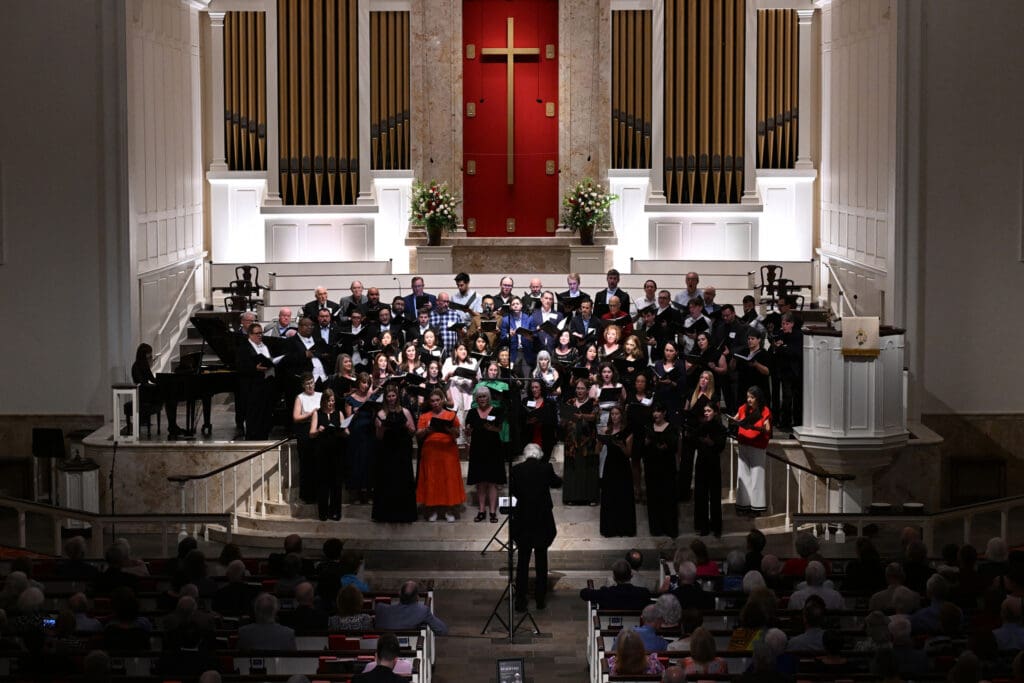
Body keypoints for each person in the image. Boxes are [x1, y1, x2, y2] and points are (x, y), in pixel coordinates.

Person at [510, 443, 562, 611]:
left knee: (522, 562)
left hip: (523, 519)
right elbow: (556, 483)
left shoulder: (516, 470)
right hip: (542, 520)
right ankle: (540, 599)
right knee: (541, 560)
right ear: (539, 454)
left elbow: (514, 492)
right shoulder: (546, 468)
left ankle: (520, 600)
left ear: (526, 455)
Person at [371, 384, 417, 523]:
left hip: (402, 451)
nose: (391, 398)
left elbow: (413, 431)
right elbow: (378, 437)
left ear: (397, 397)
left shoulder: (405, 411)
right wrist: (382, 428)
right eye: (388, 396)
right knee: (387, 481)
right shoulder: (380, 414)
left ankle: (404, 514)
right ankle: (386, 514)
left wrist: (406, 426)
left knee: (403, 481)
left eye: (393, 396)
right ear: (385, 398)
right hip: (387, 452)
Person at [415, 389, 464, 522]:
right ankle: (432, 508)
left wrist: (449, 430)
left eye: (438, 400)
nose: (435, 403)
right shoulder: (425, 416)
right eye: (432, 401)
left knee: (448, 479)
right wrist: (427, 430)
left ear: (443, 400)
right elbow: (418, 434)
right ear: (429, 402)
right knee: (432, 479)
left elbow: (458, 434)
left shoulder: (450, 415)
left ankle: (449, 509)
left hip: (448, 451)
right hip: (430, 451)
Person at [466, 385, 507, 523]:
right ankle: (482, 510)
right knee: (481, 482)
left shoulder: (497, 410)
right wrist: (467, 431)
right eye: (479, 397)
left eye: (484, 396)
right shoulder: (472, 413)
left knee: (492, 482)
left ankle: (493, 512)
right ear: (476, 399)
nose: (482, 399)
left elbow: (500, 428)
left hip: (494, 449)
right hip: (478, 449)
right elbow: (468, 431)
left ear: (488, 398)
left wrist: (492, 428)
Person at [235, 323, 279, 440]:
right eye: (257, 333)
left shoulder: (265, 346)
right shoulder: (244, 348)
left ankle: (264, 436)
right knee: (254, 415)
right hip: (252, 387)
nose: (260, 335)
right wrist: (255, 368)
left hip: (267, 384)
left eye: (261, 333)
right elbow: (240, 367)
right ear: (250, 335)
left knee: (266, 414)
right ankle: (252, 438)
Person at [733, 386, 771, 516]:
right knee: (743, 475)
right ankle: (743, 505)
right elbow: (735, 419)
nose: (749, 399)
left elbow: (767, 429)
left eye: (752, 397)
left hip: (757, 446)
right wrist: (734, 422)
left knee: (757, 476)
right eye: (748, 396)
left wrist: (755, 428)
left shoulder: (764, 410)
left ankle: (756, 507)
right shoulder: (743, 408)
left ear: (758, 398)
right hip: (744, 444)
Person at [561, 378, 600, 505]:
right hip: (571, 442)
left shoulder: (593, 402)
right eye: (578, 388)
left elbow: (594, 416)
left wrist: (581, 416)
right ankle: (571, 497)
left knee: (588, 468)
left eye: (582, 388)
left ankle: (590, 498)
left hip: (587, 442)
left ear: (588, 390)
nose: (579, 391)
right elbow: (564, 419)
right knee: (572, 468)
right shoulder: (570, 402)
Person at [643, 402, 679, 538]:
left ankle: (670, 528)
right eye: (654, 411)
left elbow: (674, 446)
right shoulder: (648, 428)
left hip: (667, 469)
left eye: (658, 411)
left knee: (668, 498)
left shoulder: (671, 428)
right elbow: (643, 448)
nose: (656, 414)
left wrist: (666, 447)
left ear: (664, 413)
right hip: (652, 468)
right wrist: (645, 444)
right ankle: (656, 528)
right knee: (654, 498)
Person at [600, 404, 636, 537]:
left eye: (617, 414)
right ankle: (610, 528)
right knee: (610, 496)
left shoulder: (627, 431)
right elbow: (598, 450)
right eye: (612, 414)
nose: (614, 416)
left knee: (623, 496)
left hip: (622, 466)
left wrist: (621, 445)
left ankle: (624, 528)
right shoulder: (607, 431)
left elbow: (628, 454)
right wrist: (600, 441)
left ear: (621, 416)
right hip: (610, 465)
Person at [693, 402, 727, 537]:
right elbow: (694, 441)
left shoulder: (720, 428)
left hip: (713, 464)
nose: (706, 413)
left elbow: (721, 446)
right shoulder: (700, 427)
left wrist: (711, 443)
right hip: (701, 463)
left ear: (715, 412)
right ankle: (703, 526)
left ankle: (716, 527)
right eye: (705, 411)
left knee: (714, 496)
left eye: (709, 410)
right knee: (701, 495)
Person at [343, 373, 377, 504]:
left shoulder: (371, 397)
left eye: (368, 383)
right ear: (358, 383)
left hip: (369, 433)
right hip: (356, 434)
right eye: (363, 382)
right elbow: (347, 418)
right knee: (356, 462)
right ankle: (356, 494)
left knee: (369, 462)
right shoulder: (350, 399)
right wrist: (354, 412)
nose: (366, 385)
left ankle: (368, 493)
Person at [374, 581, 448, 635]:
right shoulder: (423, 611)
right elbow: (442, 630)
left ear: (400, 594)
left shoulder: (381, 609)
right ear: (417, 598)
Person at [292, 373, 322, 504]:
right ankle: (308, 496)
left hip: (319, 430)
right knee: (307, 463)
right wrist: (310, 414)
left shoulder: (320, 395)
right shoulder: (300, 397)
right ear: (303, 386)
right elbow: (296, 417)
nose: (310, 385)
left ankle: (320, 493)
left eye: (312, 382)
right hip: (305, 431)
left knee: (319, 463)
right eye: (307, 384)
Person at [580, 559, 653, 610]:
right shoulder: (643, 593)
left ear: (614, 577)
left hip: (609, 630)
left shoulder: (605, 594)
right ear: (631, 576)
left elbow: (583, 593)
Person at [772, 312, 803, 430]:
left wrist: (783, 347)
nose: (784, 326)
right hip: (785, 371)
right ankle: (785, 423)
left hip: (796, 371)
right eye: (783, 323)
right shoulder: (780, 334)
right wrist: (780, 347)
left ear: (792, 324)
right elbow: (776, 349)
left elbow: (796, 352)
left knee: (797, 398)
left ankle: (798, 423)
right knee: (786, 398)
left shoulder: (798, 335)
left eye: (787, 323)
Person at [441, 342, 477, 444]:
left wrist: (473, 378)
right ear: (456, 351)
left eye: (465, 349)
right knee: (456, 425)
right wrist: (449, 374)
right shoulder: (449, 361)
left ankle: (467, 448)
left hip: (468, 395)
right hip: (454, 396)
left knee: (468, 425)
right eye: (460, 349)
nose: (463, 351)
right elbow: (443, 380)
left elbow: (478, 380)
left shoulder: (473, 361)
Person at [522, 377, 558, 462]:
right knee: (531, 465)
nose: (534, 389)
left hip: (545, 438)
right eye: (532, 387)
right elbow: (521, 419)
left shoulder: (549, 403)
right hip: (530, 437)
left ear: (541, 388)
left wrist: (542, 419)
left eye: (536, 387)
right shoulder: (525, 401)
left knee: (544, 464)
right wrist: (528, 421)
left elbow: (554, 421)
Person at [500, 295, 537, 377]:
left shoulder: (529, 318)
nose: (515, 306)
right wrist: (508, 335)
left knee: (527, 377)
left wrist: (530, 337)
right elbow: (502, 339)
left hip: (527, 351)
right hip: (513, 352)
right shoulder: (506, 320)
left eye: (517, 303)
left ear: (521, 305)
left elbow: (535, 335)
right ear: (510, 307)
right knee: (514, 377)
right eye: (513, 304)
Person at [652, 341, 684, 425]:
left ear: (676, 352)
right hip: (660, 399)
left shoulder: (680, 364)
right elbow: (655, 384)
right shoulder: (658, 364)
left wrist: (670, 382)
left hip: (674, 400)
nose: (668, 353)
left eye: (671, 351)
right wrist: (655, 381)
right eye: (666, 350)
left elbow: (682, 385)